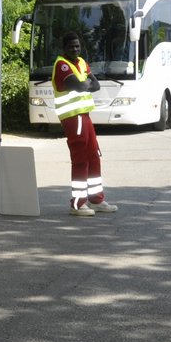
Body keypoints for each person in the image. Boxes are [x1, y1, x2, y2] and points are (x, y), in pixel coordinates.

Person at [54, 32, 117, 216]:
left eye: (77, 46)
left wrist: (84, 83)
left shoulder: (81, 62)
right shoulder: (62, 65)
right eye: (71, 46)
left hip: (85, 116)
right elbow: (82, 86)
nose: (75, 49)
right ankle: (78, 204)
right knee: (81, 158)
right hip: (73, 117)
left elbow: (96, 85)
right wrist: (85, 82)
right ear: (64, 48)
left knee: (94, 155)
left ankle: (96, 200)